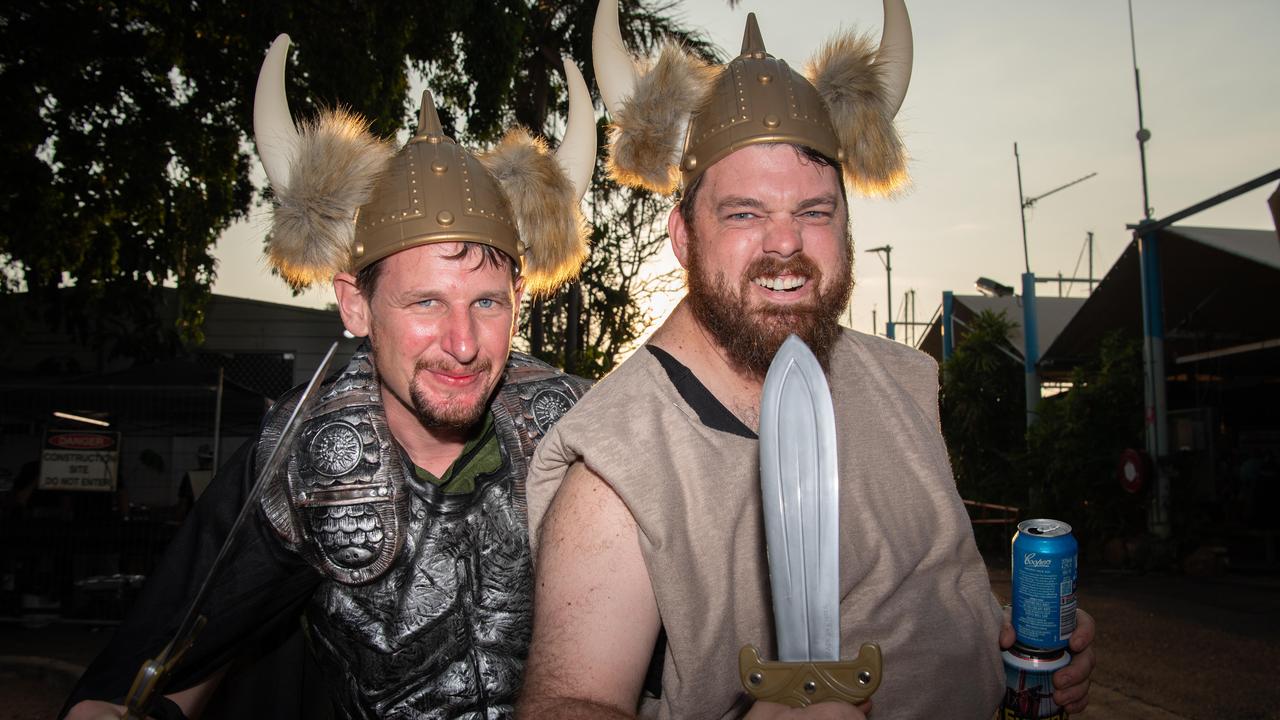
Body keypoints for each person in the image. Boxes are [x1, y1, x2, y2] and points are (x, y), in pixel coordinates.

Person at [517, 2, 1095, 719]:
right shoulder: (619, 468)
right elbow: (566, 704)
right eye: (745, 214)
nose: (785, 244)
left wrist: (1002, 640)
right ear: (683, 237)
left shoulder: (899, 385)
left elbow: (912, 598)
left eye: (816, 212)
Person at [63, 32, 596, 720]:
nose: (463, 344)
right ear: (356, 305)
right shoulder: (303, 455)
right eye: (425, 302)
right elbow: (189, 649)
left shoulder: (574, 428)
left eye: (486, 302)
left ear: (518, 298)